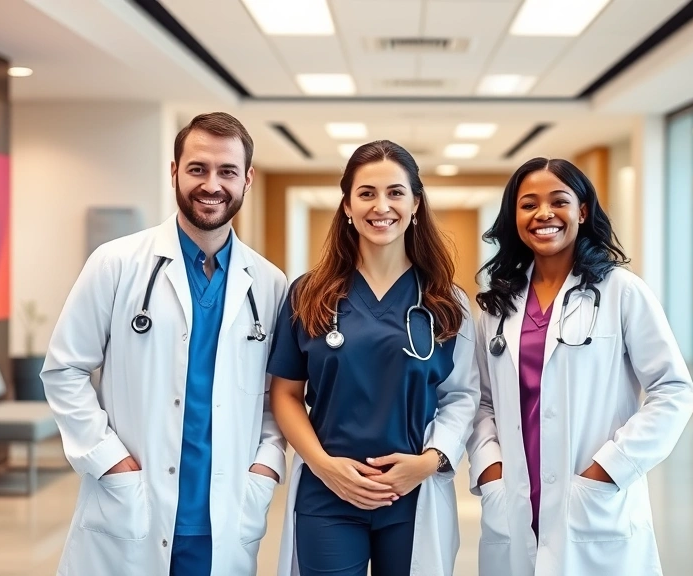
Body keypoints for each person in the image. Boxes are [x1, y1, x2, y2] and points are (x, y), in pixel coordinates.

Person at [41, 113, 287, 576]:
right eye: (197, 169)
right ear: (174, 171)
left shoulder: (269, 284)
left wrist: (266, 464)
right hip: (133, 503)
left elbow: (279, 396)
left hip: (225, 514)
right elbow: (65, 369)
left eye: (227, 171)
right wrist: (109, 460)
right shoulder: (115, 263)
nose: (211, 184)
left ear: (247, 179)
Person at [466, 158, 693, 576]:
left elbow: (673, 389)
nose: (544, 214)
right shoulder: (499, 303)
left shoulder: (621, 291)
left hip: (590, 495)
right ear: (513, 216)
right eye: (528, 204)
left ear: (583, 211)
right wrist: (491, 470)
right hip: (516, 496)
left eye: (559, 201)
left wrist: (611, 468)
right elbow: (481, 401)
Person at [268, 140, 480, 576]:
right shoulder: (308, 295)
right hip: (328, 494)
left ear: (416, 203)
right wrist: (324, 466)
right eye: (366, 193)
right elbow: (286, 394)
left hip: (411, 495)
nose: (381, 206)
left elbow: (461, 397)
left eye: (395, 192)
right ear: (346, 205)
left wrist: (428, 462)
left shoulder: (446, 301)